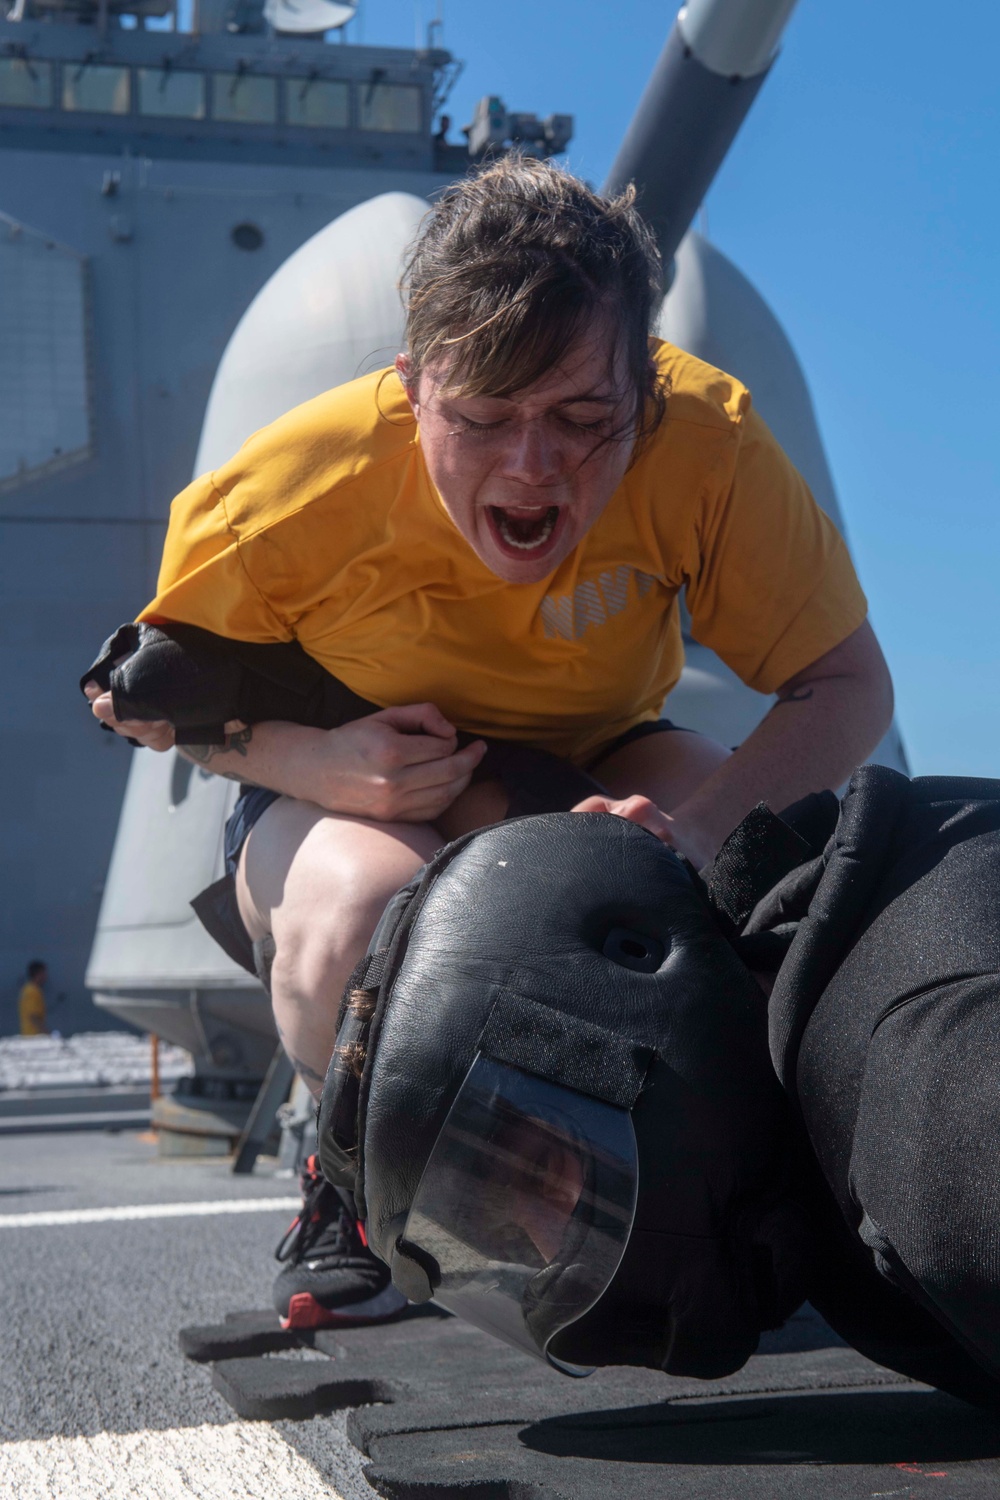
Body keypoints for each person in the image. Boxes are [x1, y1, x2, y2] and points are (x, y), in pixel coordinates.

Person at [83, 156, 892, 1328]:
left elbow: (844, 684)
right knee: (364, 910)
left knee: (752, 891)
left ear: (646, 396)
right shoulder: (286, 496)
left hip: (597, 744)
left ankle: (752, 1187)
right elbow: (147, 701)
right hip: (352, 775)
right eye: (484, 418)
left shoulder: (707, 451)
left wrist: (698, 827)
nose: (531, 467)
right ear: (411, 386)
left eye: (583, 418)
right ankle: (340, 1177)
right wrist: (314, 763)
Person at [319, 774, 1000, 1408]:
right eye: (515, 1241)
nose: (559, 1255)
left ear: (637, 961)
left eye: (545, 1168)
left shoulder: (934, 1115)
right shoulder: (845, 989)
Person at [18, 961, 49, 1037]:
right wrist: (47, 1033)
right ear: (38, 974)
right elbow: (33, 1016)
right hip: (34, 1036)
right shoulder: (32, 991)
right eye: (44, 973)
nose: (46, 976)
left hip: (28, 1034)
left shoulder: (26, 989)